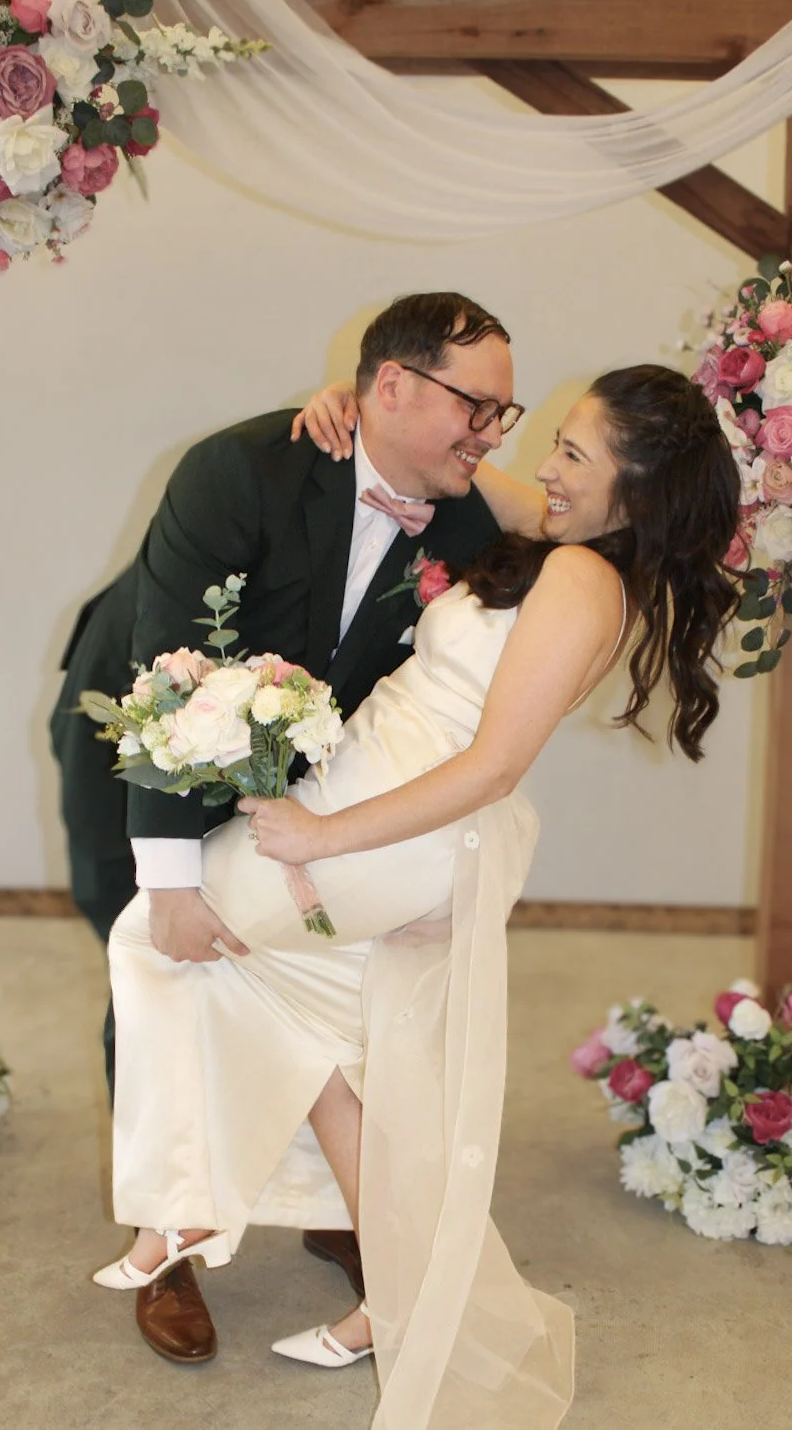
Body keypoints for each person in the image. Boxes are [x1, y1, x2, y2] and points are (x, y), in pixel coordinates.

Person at [94, 362, 740, 1426]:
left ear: (637, 489)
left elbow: (491, 765)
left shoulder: (581, 583)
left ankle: (175, 1215)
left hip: (385, 825)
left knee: (164, 936)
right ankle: (395, 1300)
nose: (548, 466)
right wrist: (355, 410)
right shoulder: (577, 543)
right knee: (323, 1050)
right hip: (386, 815)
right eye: (558, 440)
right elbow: (471, 468)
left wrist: (319, 833)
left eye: (574, 454)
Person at [51, 291, 529, 1362]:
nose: (492, 433)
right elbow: (162, 677)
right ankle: (170, 1235)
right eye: (476, 406)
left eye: (505, 411)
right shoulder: (240, 469)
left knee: (309, 986)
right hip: (131, 741)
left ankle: (322, 1201)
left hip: (288, 787)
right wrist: (170, 879)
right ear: (390, 385)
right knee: (160, 971)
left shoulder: (459, 518)